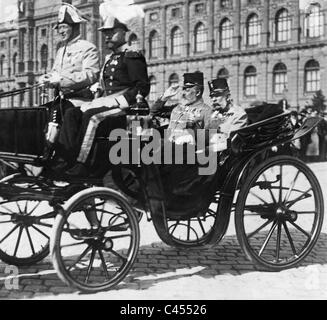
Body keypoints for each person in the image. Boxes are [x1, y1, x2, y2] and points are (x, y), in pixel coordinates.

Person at [60, 14, 150, 177]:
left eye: (112, 32)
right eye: (105, 32)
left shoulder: (132, 55)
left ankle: (82, 164)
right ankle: (67, 159)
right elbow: (103, 88)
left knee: (93, 117)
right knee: (71, 113)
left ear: (123, 33)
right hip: (106, 103)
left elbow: (142, 87)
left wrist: (117, 101)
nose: (107, 36)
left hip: (126, 109)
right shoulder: (110, 59)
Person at [39, 3, 100, 167]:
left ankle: (62, 159)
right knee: (40, 112)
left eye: (64, 27)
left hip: (80, 100)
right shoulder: (60, 50)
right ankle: (43, 153)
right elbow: (54, 73)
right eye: (59, 28)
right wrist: (47, 79)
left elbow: (91, 74)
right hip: (61, 99)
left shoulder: (88, 48)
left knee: (61, 113)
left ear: (74, 27)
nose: (60, 31)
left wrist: (61, 80)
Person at [151, 71, 212, 147]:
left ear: (198, 92)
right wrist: (164, 97)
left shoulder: (206, 111)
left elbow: (208, 139)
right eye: (183, 89)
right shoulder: (177, 108)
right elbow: (155, 112)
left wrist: (194, 126)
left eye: (187, 90)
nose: (183, 93)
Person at [207, 78, 248, 152]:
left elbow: (231, 143)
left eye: (217, 95)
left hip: (226, 157)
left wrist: (205, 150)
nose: (213, 99)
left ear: (228, 97)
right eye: (212, 96)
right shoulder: (213, 114)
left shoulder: (239, 115)